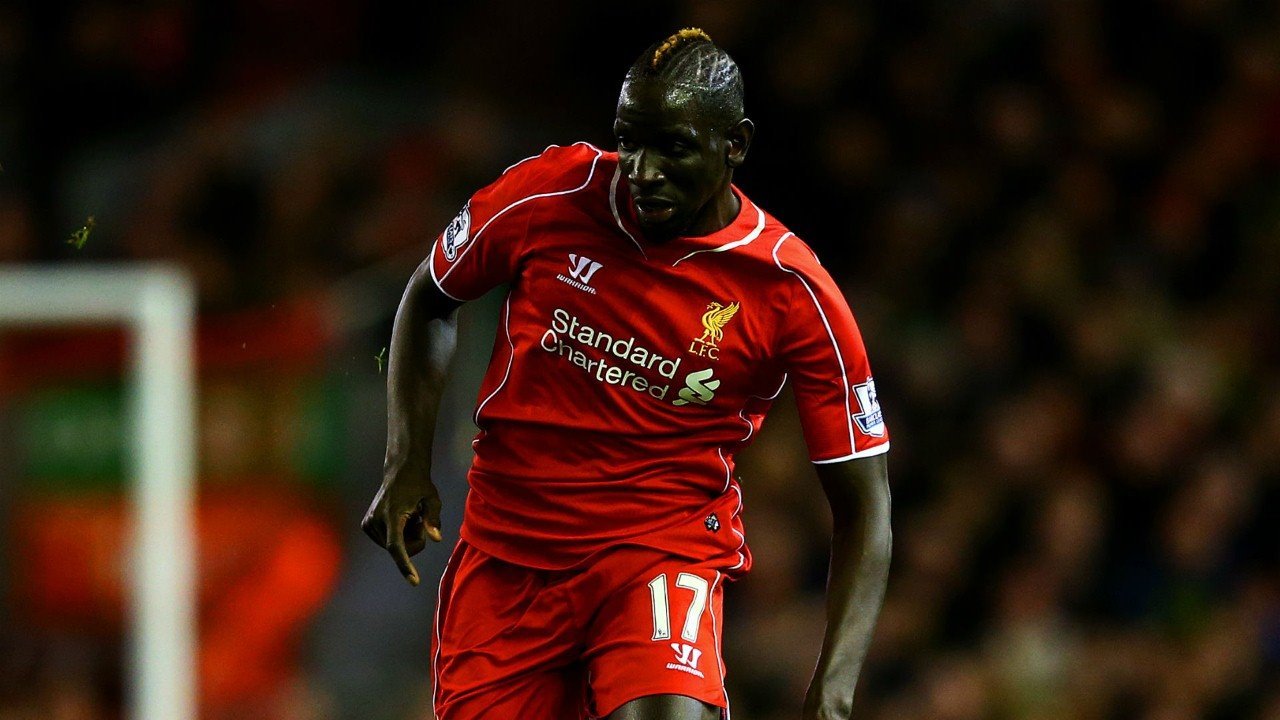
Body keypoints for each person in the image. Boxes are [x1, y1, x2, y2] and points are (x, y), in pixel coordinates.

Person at [362, 28, 892, 720]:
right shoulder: (549, 194)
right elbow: (432, 296)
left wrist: (835, 688)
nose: (643, 170)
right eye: (629, 141)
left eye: (672, 147)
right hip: (509, 552)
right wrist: (405, 463)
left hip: (659, 550)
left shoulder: (792, 291)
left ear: (735, 145)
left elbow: (865, 504)